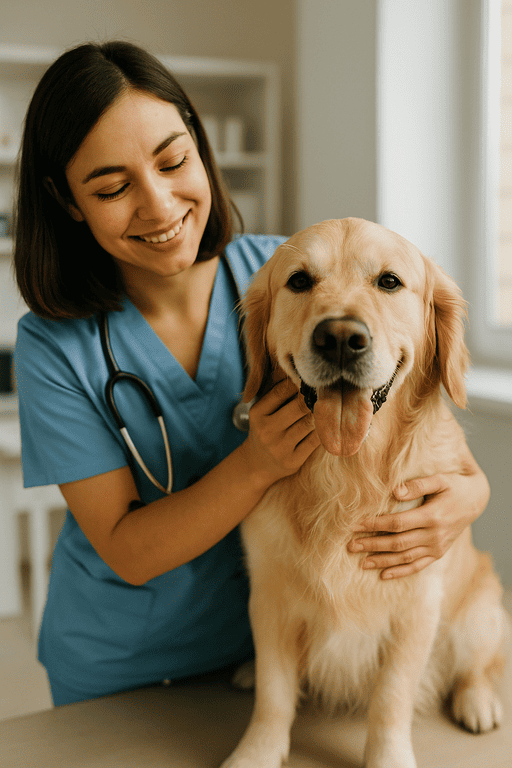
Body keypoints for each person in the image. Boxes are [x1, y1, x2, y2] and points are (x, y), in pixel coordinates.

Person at [13, 40, 490, 708]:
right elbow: (127, 548)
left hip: (267, 653)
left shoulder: (290, 277)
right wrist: (256, 464)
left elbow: (428, 432)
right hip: (121, 667)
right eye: (113, 188)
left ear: (199, 145)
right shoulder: (52, 347)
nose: (158, 205)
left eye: (174, 161)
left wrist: (471, 499)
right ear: (68, 202)